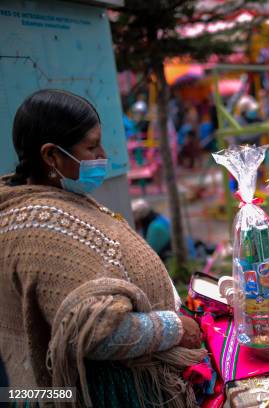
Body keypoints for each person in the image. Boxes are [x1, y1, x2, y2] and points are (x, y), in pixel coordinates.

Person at [0, 89, 205, 407]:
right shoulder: (40, 226)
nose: (104, 155)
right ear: (52, 156)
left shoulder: (56, 199)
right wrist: (173, 328)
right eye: (92, 146)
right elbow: (98, 333)